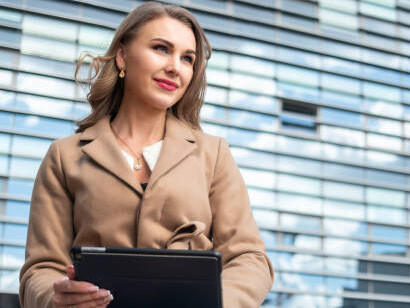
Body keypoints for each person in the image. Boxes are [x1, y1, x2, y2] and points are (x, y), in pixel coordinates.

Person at [19, 2, 274, 308]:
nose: (175, 67)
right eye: (160, 48)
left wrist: (217, 303)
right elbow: (41, 268)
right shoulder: (64, 156)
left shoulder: (213, 153)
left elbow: (250, 258)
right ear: (123, 55)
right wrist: (54, 298)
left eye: (187, 58)